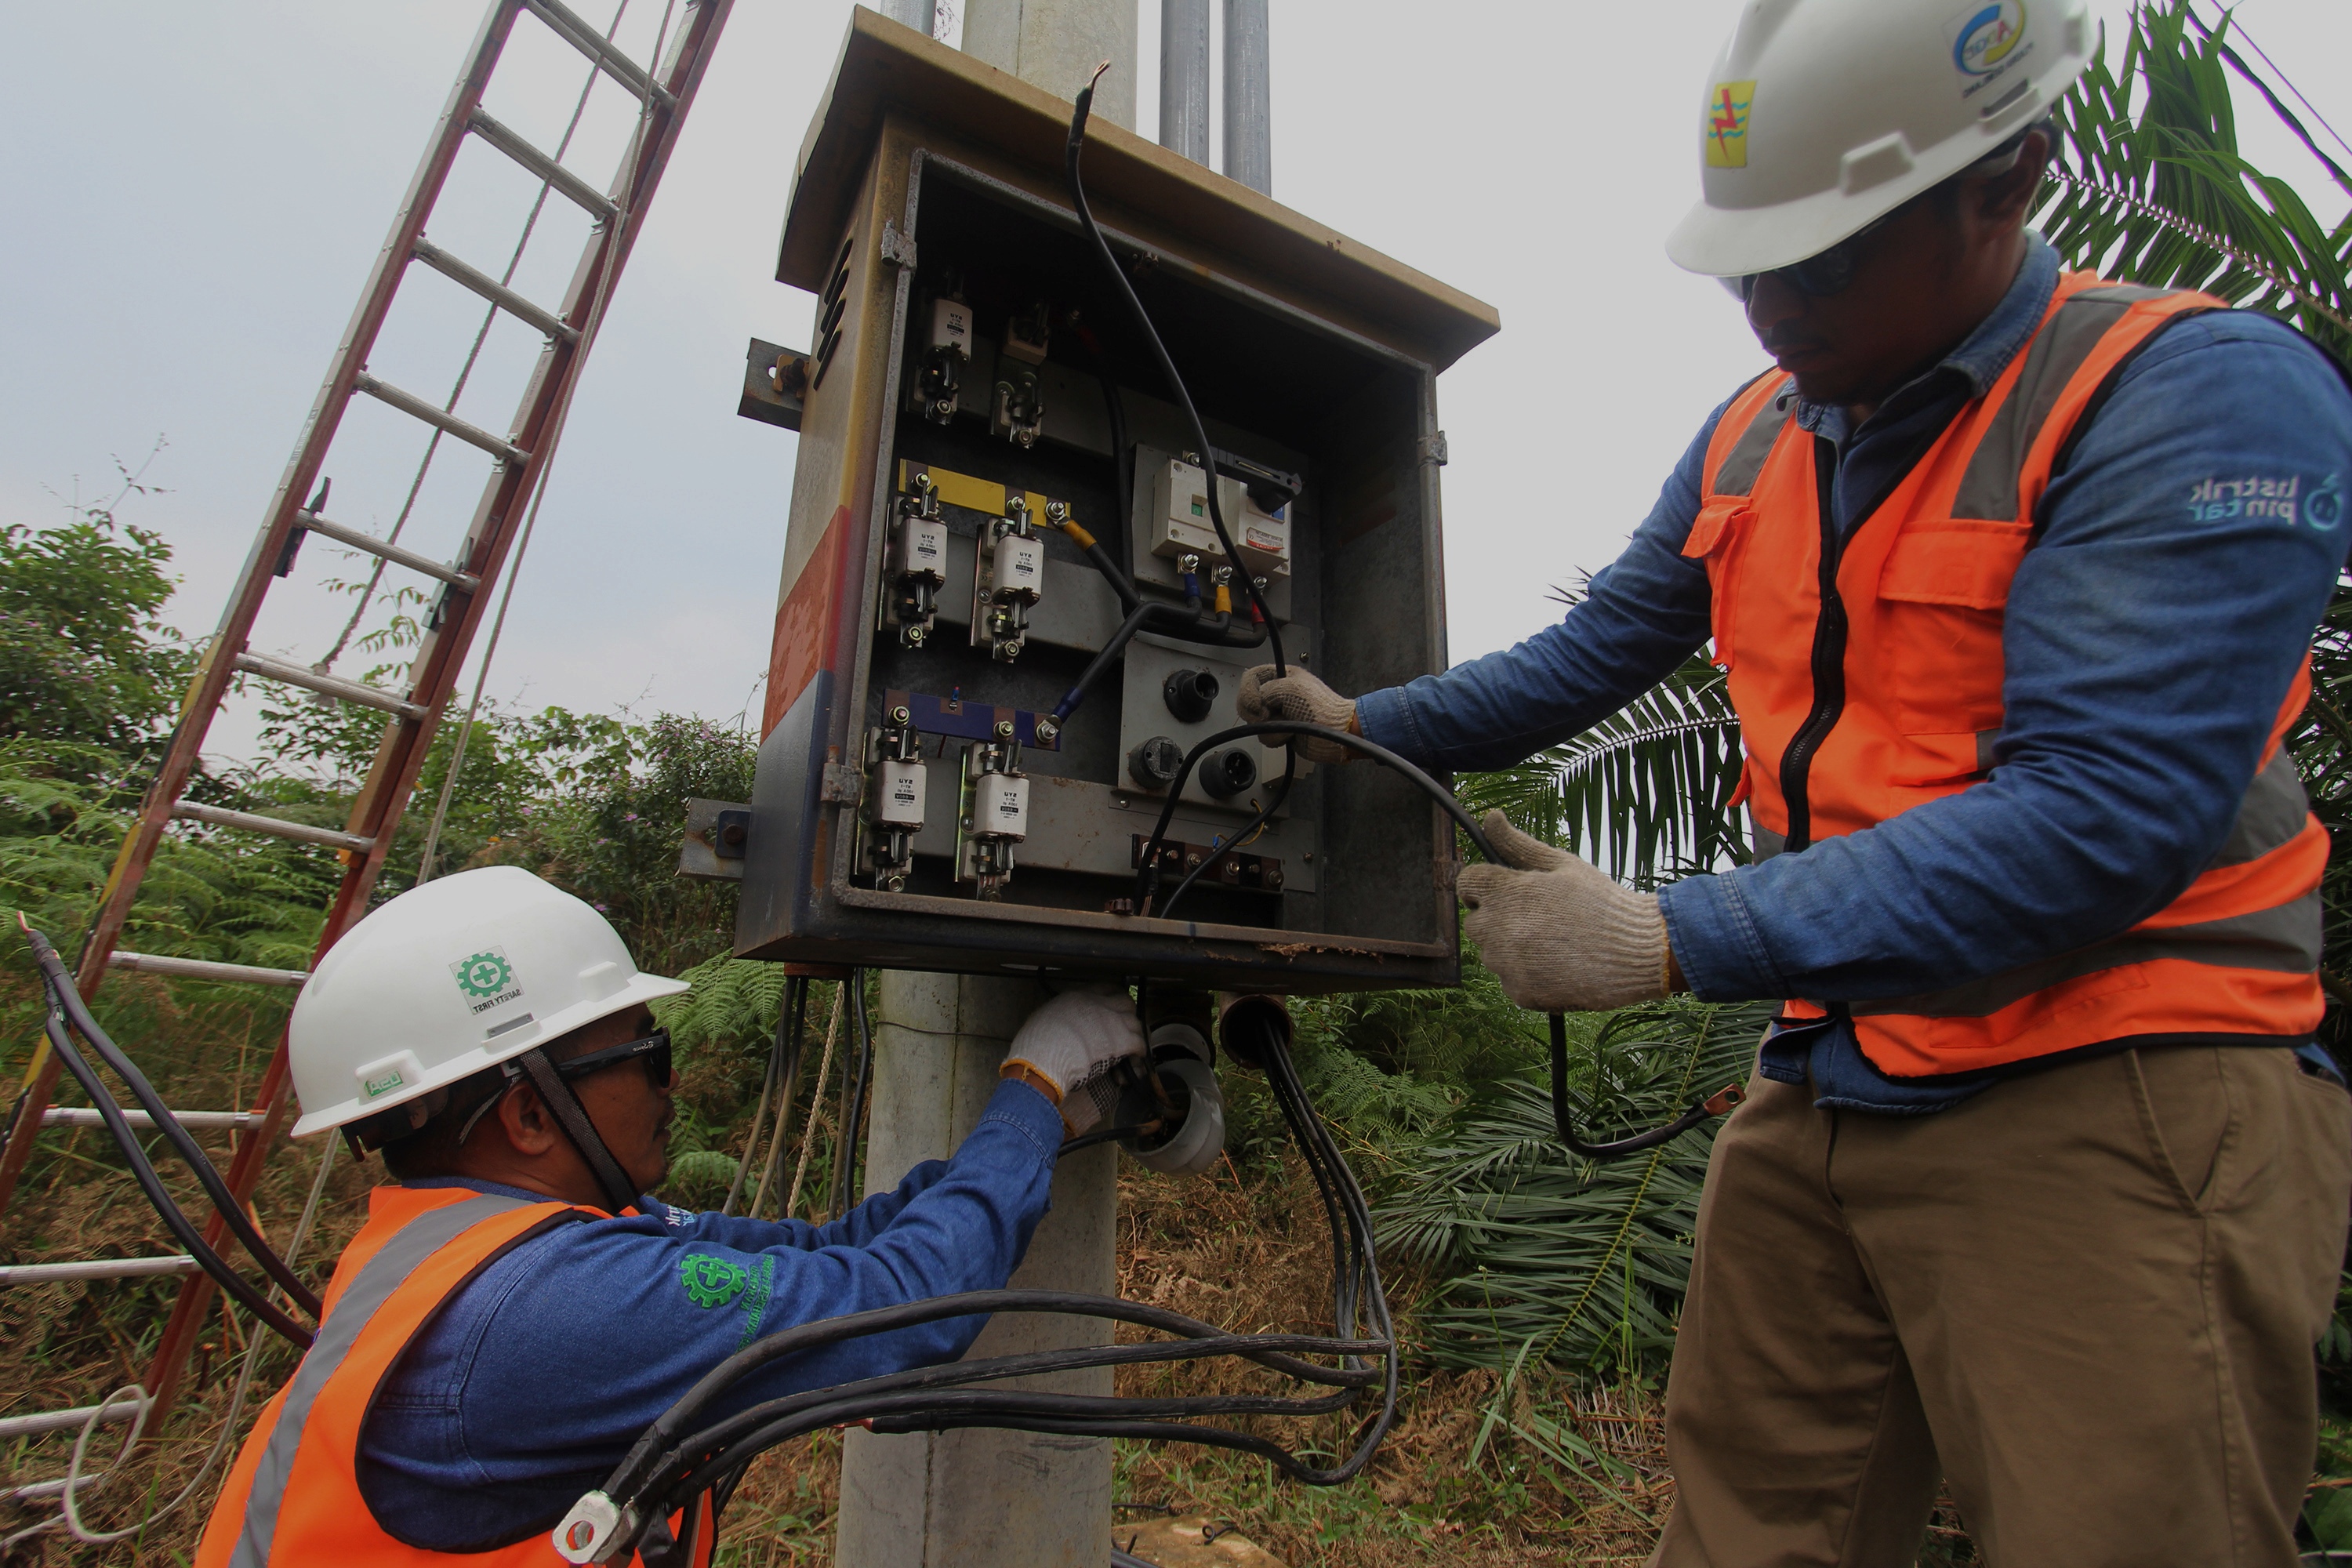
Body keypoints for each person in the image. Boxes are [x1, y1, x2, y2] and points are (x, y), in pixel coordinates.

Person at [1243, 0, 2352, 1561]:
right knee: (1753, 1528)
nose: (1770, 303)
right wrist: (1366, 719)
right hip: (1834, 1071)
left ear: (2011, 177)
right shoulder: (1755, 437)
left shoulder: (2185, 396)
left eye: (1822, 257)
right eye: (1745, 259)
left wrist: (1664, 938)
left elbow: (2104, 812)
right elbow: (1594, 654)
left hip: (2114, 1075)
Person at [195, 865, 1142, 1565]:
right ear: (529, 1113)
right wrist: (1032, 1081)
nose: (669, 1079)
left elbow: (829, 1250)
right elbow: (899, 1306)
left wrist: (1026, 1133)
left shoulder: (459, 1241)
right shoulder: (548, 1306)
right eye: (643, 1052)